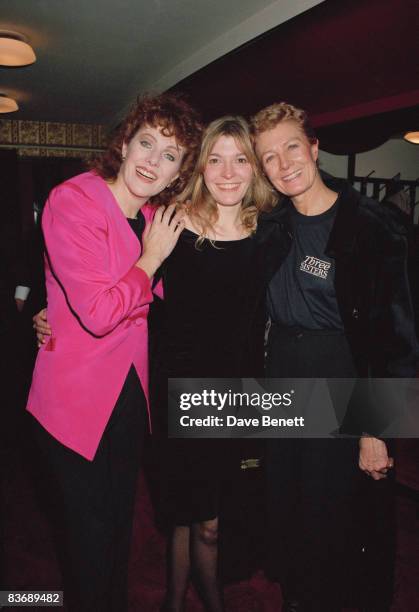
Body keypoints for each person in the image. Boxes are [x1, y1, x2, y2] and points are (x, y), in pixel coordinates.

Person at [26, 92, 202, 612]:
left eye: (169, 155)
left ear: (177, 172)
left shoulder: (156, 217)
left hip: (130, 395)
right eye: (146, 144)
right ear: (124, 144)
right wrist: (149, 261)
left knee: (118, 530)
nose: (152, 160)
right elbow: (101, 313)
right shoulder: (73, 200)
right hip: (74, 401)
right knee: (87, 539)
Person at [250, 102, 418, 612]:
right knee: (290, 506)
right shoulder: (268, 226)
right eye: (270, 157)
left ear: (315, 148)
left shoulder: (373, 226)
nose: (284, 164)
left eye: (292, 148)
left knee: (338, 516)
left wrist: (377, 430)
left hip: (342, 381)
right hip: (282, 376)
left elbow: (400, 337)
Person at [158, 115, 276, 612]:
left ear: (254, 168)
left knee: (201, 511)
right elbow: (118, 281)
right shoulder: (174, 226)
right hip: (184, 395)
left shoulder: (270, 232)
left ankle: (172, 599)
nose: (228, 173)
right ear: (201, 166)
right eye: (216, 159)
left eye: (240, 159)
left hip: (241, 398)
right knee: (202, 518)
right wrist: (46, 309)